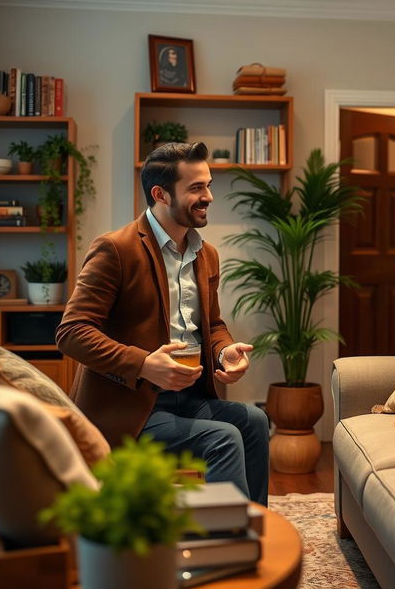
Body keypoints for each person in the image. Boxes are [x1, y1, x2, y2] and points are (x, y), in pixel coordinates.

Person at [56, 142, 269, 504]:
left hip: (189, 396)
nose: (209, 197)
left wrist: (224, 352)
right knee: (223, 438)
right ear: (161, 194)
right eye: (196, 188)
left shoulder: (206, 253)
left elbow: (212, 324)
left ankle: (254, 530)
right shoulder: (115, 249)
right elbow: (71, 333)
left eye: (209, 185)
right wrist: (143, 364)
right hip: (131, 408)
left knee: (254, 421)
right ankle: (225, 545)